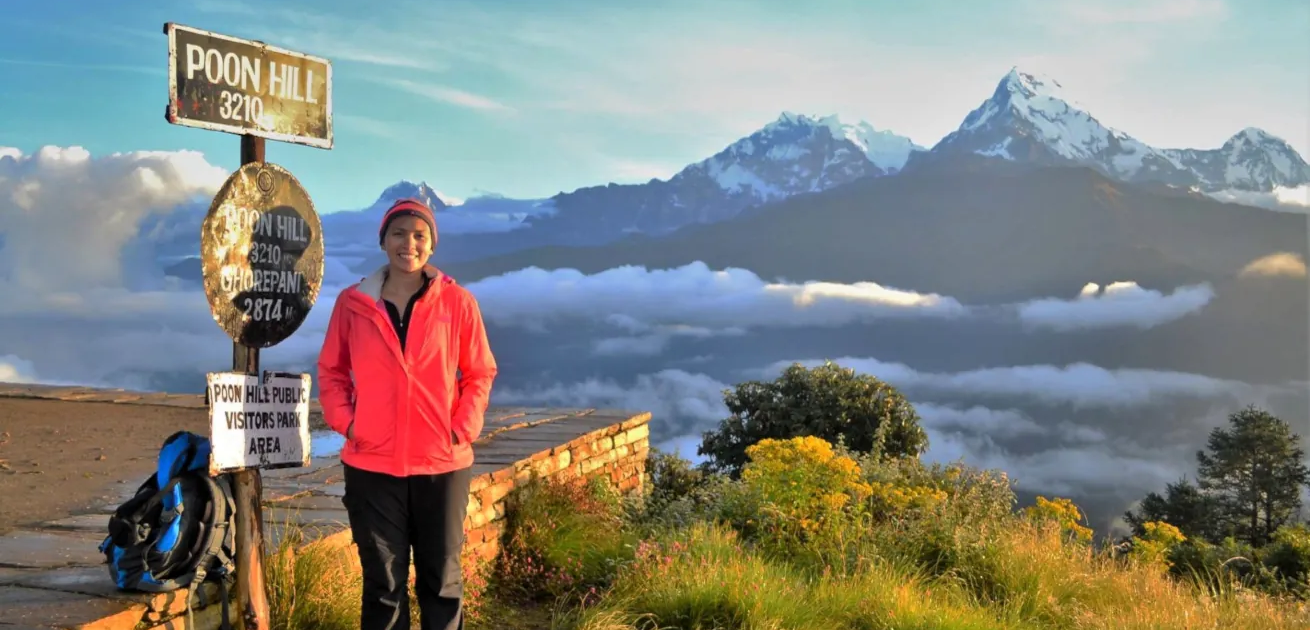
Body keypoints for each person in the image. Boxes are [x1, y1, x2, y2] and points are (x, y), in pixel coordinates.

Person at [317, 197, 497, 630]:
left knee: (442, 583)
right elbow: (331, 370)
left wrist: (462, 428)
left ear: (432, 244)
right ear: (383, 241)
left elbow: (479, 372)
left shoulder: (458, 303)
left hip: (442, 464)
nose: (408, 243)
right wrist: (350, 423)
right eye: (398, 233)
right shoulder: (352, 303)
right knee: (382, 587)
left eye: (419, 235)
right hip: (371, 464)